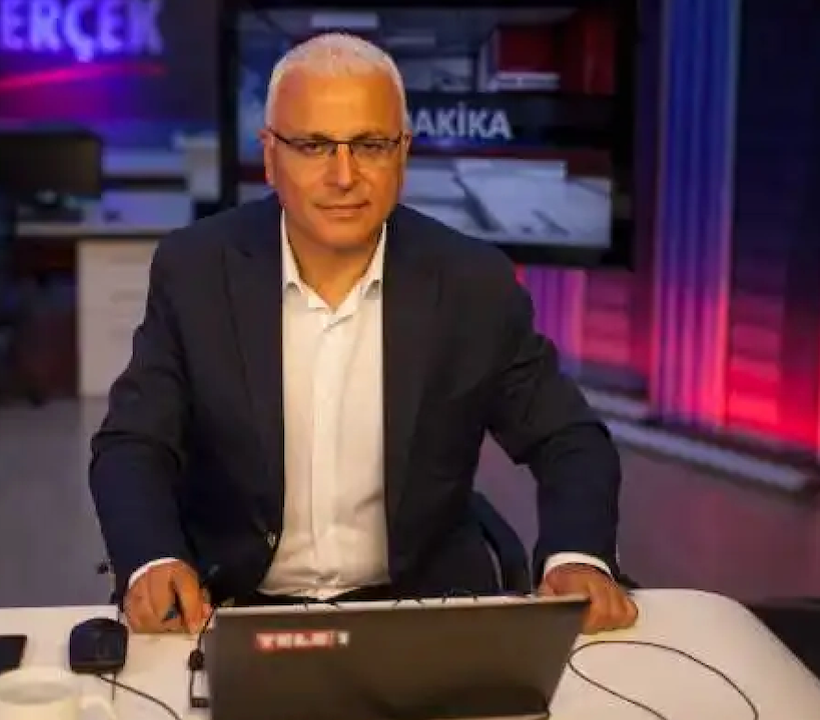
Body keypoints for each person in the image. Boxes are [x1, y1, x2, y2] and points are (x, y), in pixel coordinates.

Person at [89, 33, 637, 636]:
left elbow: (569, 437)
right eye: (313, 146)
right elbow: (133, 444)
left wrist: (577, 557)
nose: (344, 175)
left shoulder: (471, 283)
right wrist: (154, 559)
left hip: (422, 609)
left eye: (370, 145)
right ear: (270, 156)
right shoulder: (195, 270)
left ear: (402, 153)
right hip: (232, 608)